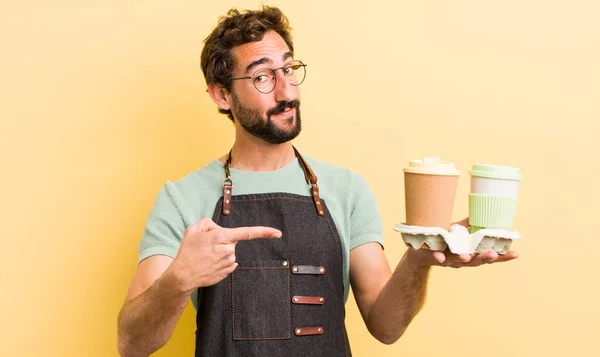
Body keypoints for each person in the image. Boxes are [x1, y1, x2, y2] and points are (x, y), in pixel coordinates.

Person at [117, 5, 518, 357]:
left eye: (289, 69)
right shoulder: (182, 198)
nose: (286, 90)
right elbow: (131, 345)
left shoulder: (345, 189)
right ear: (222, 95)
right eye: (262, 77)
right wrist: (179, 279)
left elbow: (386, 326)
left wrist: (418, 259)